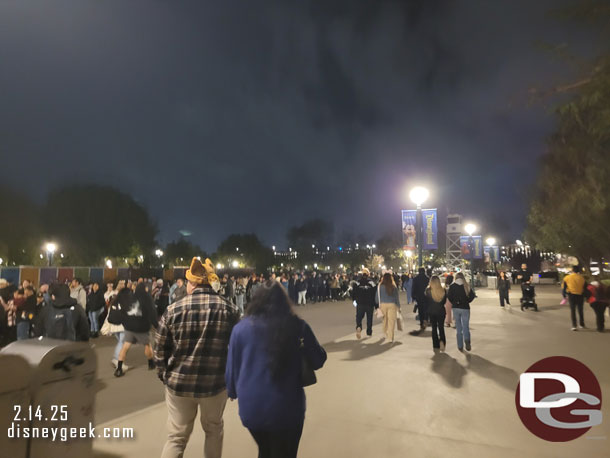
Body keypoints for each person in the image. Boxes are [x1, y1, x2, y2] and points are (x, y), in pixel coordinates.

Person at [225, 280, 326, 458]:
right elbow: (318, 360)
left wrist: (232, 391)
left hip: (252, 408)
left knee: (265, 449)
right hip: (287, 406)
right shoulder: (297, 326)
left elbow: (232, 367)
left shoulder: (240, 329)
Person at [155, 258, 240, 458]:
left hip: (179, 384)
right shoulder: (229, 309)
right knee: (213, 430)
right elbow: (238, 348)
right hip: (215, 384)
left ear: (191, 283)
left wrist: (164, 375)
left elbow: (160, 349)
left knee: (176, 437)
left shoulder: (173, 310)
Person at [113, 283, 158, 377]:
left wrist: (125, 323)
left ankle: (119, 368)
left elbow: (124, 310)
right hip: (142, 327)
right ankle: (151, 363)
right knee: (147, 345)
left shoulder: (131, 296)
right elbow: (152, 312)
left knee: (125, 346)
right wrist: (157, 325)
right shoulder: (147, 297)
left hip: (129, 327)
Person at [447, 272, 476, 351]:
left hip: (456, 308)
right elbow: (472, 296)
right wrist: (467, 301)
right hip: (465, 308)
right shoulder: (466, 286)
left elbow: (449, 297)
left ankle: (460, 345)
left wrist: (454, 302)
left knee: (459, 327)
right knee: (465, 326)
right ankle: (467, 341)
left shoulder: (452, 286)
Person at [375, 272, 401, 343]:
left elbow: (377, 298)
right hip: (392, 305)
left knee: (384, 320)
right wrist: (399, 307)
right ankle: (390, 337)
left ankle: (384, 333)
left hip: (383, 305)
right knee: (391, 322)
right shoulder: (393, 286)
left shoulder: (380, 286)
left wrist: (378, 305)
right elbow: (396, 298)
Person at [352, 268, 377, 339]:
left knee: (359, 316)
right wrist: (376, 305)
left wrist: (354, 300)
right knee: (369, 318)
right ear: (368, 274)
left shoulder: (357, 283)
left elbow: (353, 293)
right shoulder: (372, 283)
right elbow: (375, 293)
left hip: (360, 303)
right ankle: (369, 331)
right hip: (369, 303)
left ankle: (359, 327)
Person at [426, 276, 447, 352]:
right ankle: (442, 342)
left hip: (432, 311)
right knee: (441, 327)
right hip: (441, 311)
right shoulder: (443, 290)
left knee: (434, 328)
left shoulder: (428, 290)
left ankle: (435, 345)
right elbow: (444, 302)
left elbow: (427, 302)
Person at [562, 265, 587, 331]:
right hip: (580, 295)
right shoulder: (582, 278)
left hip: (572, 295)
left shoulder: (567, 277)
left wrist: (564, 296)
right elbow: (585, 288)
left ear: (572, 270)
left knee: (573, 311)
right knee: (580, 310)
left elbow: (564, 288)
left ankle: (574, 326)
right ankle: (582, 324)